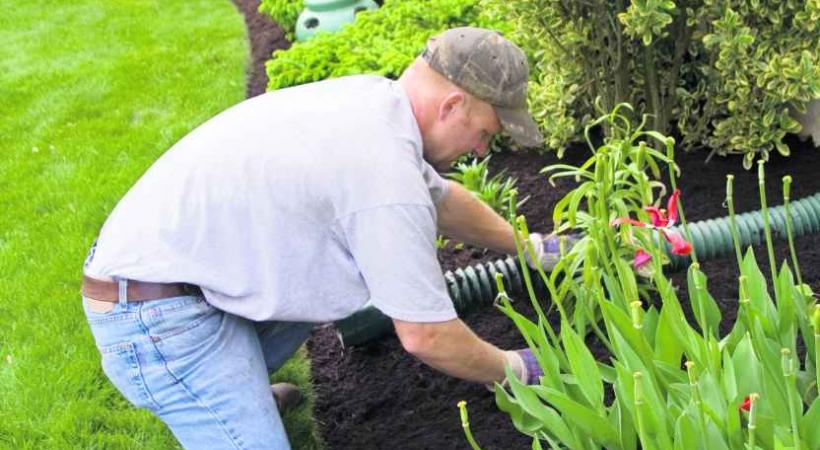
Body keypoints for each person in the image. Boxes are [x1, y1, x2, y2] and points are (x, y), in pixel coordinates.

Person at [81, 27, 565, 449]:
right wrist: (515, 367)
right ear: (453, 105)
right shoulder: (382, 173)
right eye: (485, 132)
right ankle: (212, 394)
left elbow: (442, 201)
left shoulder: (374, 103)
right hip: (151, 320)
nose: (482, 149)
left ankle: (236, 391)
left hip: (181, 273)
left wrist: (530, 247)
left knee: (330, 276)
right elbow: (426, 333)